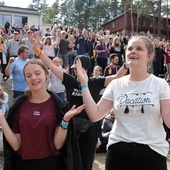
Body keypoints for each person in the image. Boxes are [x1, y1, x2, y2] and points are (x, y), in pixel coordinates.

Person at [29, 34, 128, 170]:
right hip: (72, 126)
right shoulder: (70, 80)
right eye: (75, 68)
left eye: (80, 68)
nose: (76, 71)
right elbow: (51, 65)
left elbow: (117, 77)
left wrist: (127, 63)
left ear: (86, 69)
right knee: (70, 161)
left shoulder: (95, 82)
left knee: (86, 163)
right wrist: (37, 50)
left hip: (90, 128)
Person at [76, 35, 170, 170]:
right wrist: (84, 85)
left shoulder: (160, 84)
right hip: (118, 152)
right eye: (130, 48)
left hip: (152, 152)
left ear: (149, 57)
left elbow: (168, 118)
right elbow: (95, 114)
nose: (133, 51)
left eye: (139, 49)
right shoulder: (116, 85)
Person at [2, 59, 85, 170]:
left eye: (37, 73)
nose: (34, 78)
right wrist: (1, 119)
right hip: (22, 165)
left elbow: (58, 145)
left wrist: (65, 121)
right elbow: (16, 145)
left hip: (51, 164)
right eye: (28, 75)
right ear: (25, 79)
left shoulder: (59, 106)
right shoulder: (18, 106)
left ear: (46, 74)